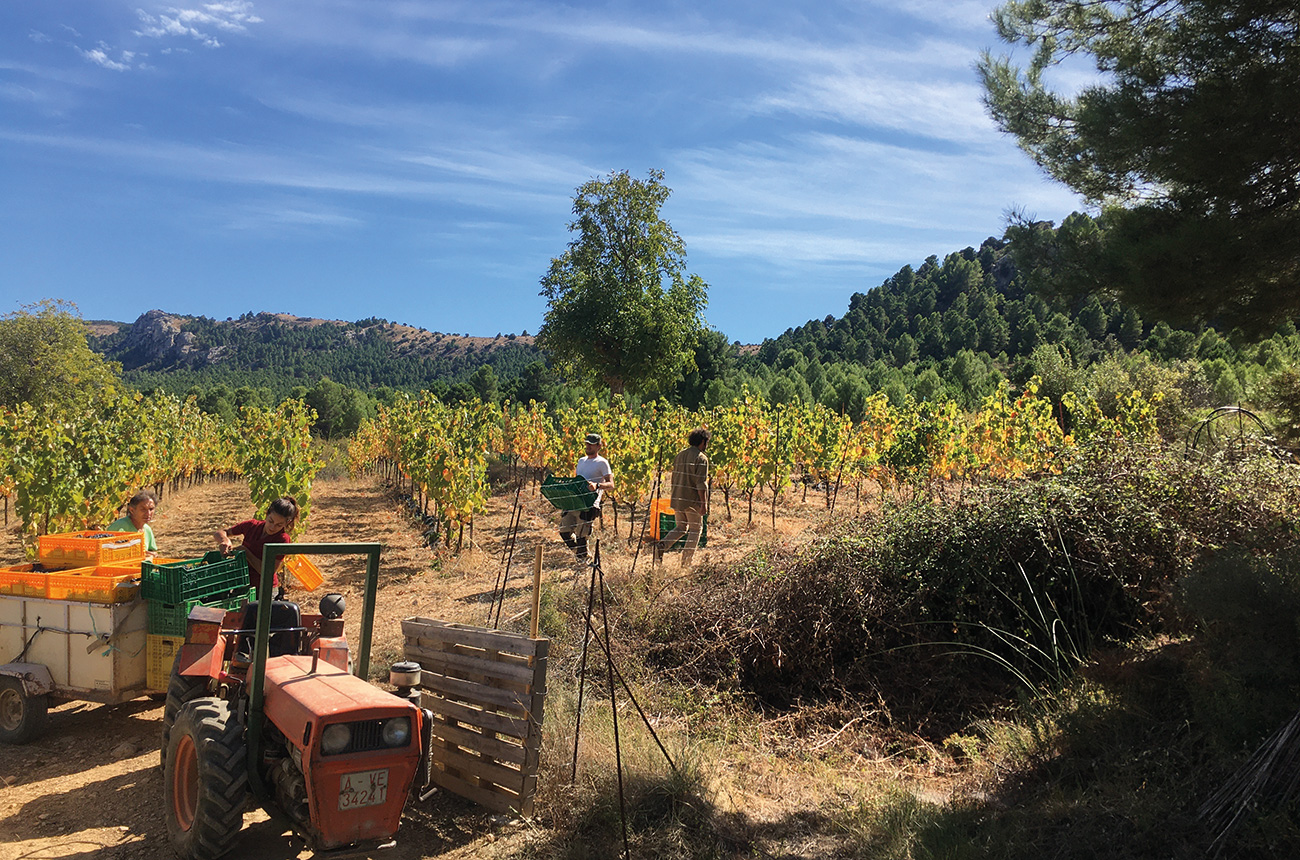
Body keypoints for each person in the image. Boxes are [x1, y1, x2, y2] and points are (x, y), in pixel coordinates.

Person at [214, 496, 298, 597]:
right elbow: (221, 532)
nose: (272, 527)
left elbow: (268, 572)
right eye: (271, 521)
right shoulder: (252, 526)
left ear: (287, 523)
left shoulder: (282, 539)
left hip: (264, 589)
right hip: (242, 584)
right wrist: (224, 540)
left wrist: (246, 553)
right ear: (267, 514)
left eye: (278, 525)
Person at [658, 427, 710, 566]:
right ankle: (686, 563)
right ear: (703, 442)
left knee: (681, 527)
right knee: (695, 530)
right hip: (692, 500)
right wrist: (703, 504)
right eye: (707, 442)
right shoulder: (701, 458)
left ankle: (662, 545)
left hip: (678, 497)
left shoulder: (680, 455)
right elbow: (701, 483)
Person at [559, 433, 613, 561]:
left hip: (589, 504)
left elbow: (611, 484)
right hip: (574, 502)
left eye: (591, 444)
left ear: (599, 446)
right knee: (564, 531)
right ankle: (582, 554)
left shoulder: (602, 462)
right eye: (587, 443)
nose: (588, 446)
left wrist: (597, 485)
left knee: (581, 536)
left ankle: (583, 563)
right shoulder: (581, 461)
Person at [107, 490, 159, 559]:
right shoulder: (119, 528)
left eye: (151, 509)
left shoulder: (147, 529)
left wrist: (153, 554)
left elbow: (152, 550)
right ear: (132, 510)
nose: (148, 513)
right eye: (143, 509)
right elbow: (110, 553)